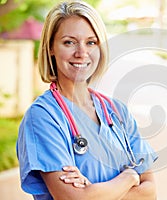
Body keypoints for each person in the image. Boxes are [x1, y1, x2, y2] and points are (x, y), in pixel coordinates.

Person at [16, 1, 158, 199]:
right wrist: (130, 177)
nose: (82, 53)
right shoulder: (43, 116)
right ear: (50, 48)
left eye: (91, 42)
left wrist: (93, 192)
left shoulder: (117, 111)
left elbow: (150, 192)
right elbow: (72, 198)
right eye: (69, 42)